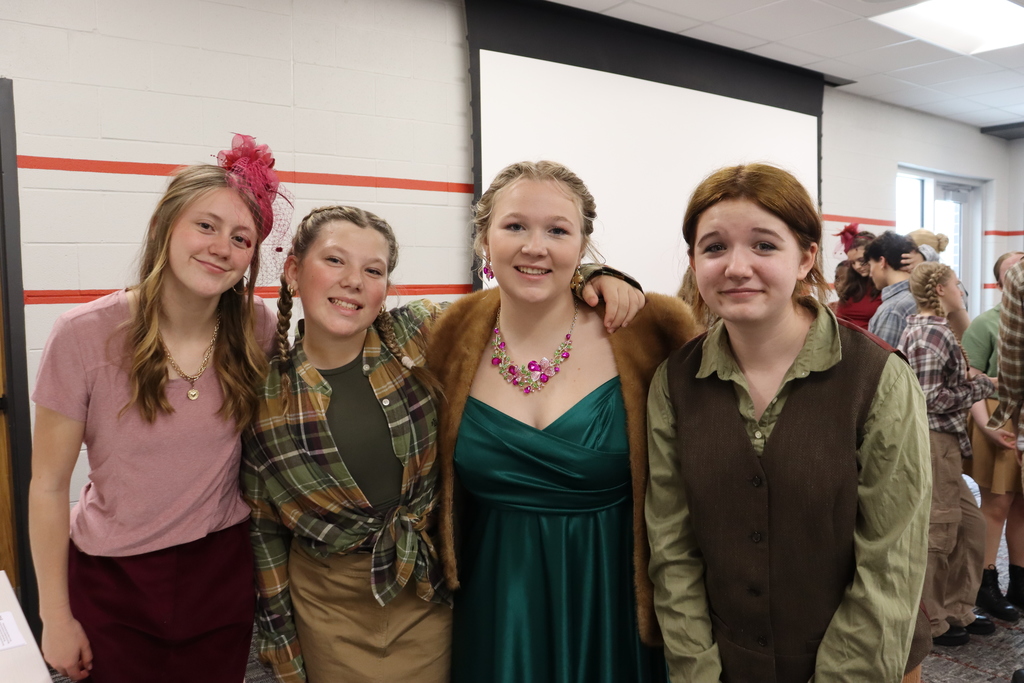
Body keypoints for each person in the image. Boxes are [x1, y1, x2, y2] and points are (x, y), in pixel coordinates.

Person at [242, 203, 646, 683]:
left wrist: (592, 276)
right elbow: (265, 533)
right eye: (334, 260)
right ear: (292, 271)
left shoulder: (420, 334)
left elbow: (522, 295)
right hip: (330, 608)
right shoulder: (263, 398)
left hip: (429, 590)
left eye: (373, 270)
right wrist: (282, 647)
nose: (353, 281)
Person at [647, 163, 930, 682]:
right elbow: (673, 550)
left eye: (764, 245)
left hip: (861, 664)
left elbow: (890, 563)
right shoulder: (675, 381)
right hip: (726, 665)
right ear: (693, 261)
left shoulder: (877, 377)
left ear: (805, 258)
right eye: (714, 247)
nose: (736, 267)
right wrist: (697, 672)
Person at [428, 160, 699, 683]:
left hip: (614, 598)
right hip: (496, 602)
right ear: (484, 239)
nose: (536, 247)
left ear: (583, 245)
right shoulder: (447, 335)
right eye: (515, 226)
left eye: (557, 230)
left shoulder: (648, 333)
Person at [28, 134, 284, 683]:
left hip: (219, 572)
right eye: (206, 225)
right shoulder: (83, 335)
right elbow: (47, 486)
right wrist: (54, 616)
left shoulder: (257, 328)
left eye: (241, 238)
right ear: (164, 226)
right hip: (114, 576)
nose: (222, 247)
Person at [898, 262, 995, 646]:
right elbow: (928, 398)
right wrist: (982, 388)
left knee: (971, 528)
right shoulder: (931, 333)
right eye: (956, 284)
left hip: (947, 442)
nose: (961, 291)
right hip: (934, 441)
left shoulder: (937, 329)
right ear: (939, 289)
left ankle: (958, 608)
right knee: (939, 533)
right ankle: (933, 620)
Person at [962, 251, 1024, 623]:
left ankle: (1020, 581)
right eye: (1012, 270)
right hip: (998, 416)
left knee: (1023, 505)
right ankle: (985, 583)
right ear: (1001, 283)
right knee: (997, 504)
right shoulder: (987, 323)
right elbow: (968, 378)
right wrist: (988, 426)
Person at [865, 230, 920, 346]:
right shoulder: (921, 295)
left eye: (870, 265)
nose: (870, 274)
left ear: (882, 262)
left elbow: (881, 357)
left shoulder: (892, 310)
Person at [835, 233, 881, 330]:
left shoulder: (884, 288)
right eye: (852, 262)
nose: (857, 266)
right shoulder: (851, 285)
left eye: (861, 260)